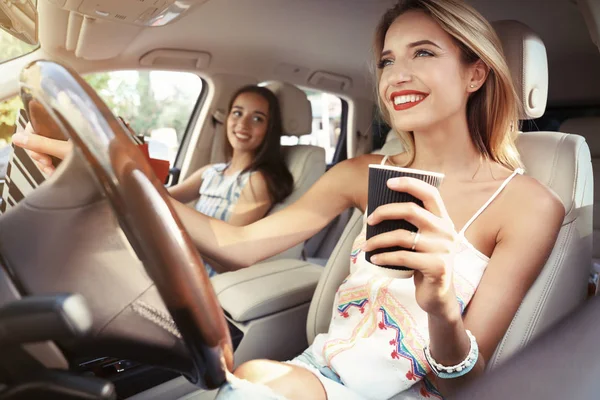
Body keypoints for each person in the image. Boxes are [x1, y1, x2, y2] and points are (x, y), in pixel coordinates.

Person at [14, 0, 565, 398]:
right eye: (388, 60)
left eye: (423, 52)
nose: (398, 74)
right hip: (315, 374)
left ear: (476, 73)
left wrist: (442, 299)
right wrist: (112, 180)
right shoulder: (362, 173)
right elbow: (237, 245)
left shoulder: (530, 205)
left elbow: (466, 383)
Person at [14, 85, 295, 276]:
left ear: (270, 129)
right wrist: (131, 153)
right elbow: (161, 195)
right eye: (237, 112)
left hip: (192, 272)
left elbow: (225, 257)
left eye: (257, 119)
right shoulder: (211, 172)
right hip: (172, 254)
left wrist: (164, 235)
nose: (243, 124)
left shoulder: (258, 181)